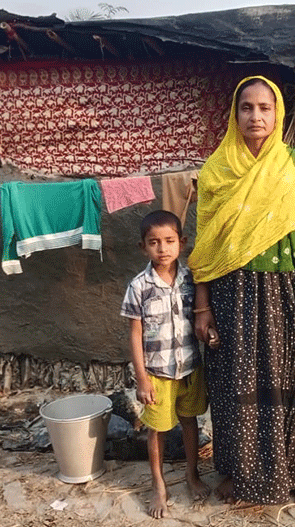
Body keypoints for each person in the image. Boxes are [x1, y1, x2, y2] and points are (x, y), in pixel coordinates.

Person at [188, 76, 295, 505]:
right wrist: (202, 307)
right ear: (234, 115)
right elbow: (204, 247)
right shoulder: (217, 171)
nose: (256, 116)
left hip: (284, 293)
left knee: (286, 381)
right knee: (235, 386)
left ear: (278, 114)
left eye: (264, 108)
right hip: (230, 295)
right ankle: (241, 473)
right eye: (247, 108)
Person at [120, 210, 210, 518]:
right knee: (156, 429)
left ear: (181, 243)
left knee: (189, 421)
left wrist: (210, 334)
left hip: (189, 368)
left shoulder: (192, 280)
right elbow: (134, 335)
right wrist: (141, 379)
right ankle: (158, 484)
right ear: (142, 247)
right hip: (157, 373)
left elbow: (199, 318)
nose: (163, 249)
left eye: (169, 241)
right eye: (154, 242)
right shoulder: (139, 286)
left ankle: (191, 474)